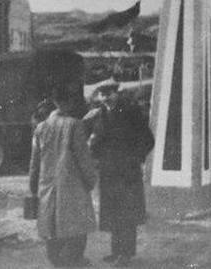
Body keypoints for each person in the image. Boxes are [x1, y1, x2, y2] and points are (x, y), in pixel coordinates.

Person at [84, 81, 155, 267]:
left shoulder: (130, 112)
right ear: (99, 97)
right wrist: (95, 154)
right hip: (108, 172)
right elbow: (95, 140)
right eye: (102, 94)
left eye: (110, 93)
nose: (106, 97)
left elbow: (148, 139)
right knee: (113, 212)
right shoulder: (99, 115)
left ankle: (126, 253)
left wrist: (136, 158)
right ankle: (116, 251)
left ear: (117, 93)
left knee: (127, 212)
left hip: (127, 172)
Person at [29, 84, 97, 268]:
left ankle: (57, 263)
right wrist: (90, 182)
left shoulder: (40, 128)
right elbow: (84, 160)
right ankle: (74, 262)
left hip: (46, 188)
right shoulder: (74, 125)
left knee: (51, 230)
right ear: (70, 102)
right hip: (72, 188)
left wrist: (33, 189)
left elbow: (34, 165)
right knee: (77, 230)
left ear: (54, 102)